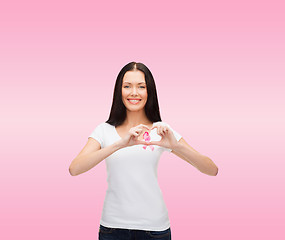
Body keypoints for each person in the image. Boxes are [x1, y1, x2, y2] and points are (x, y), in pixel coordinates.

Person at [69, 61, 219, 240]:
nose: (134, 92)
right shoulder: (104, 130)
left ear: (150, 92)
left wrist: (175, 146)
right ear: (119, 90)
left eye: (141, 86)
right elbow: (75, 169)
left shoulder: (160, 131)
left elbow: (211, 169)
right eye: (127, 86)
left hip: (154, 229)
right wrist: (120, 144)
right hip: (112, 228)